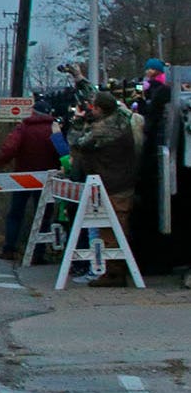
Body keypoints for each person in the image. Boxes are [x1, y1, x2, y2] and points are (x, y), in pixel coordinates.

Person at [68, 92, 138, 286]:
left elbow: (77, 143)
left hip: (112, 184)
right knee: (119, 226)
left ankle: (113, 273)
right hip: (123, 180)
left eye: (94, 107)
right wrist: (79, 78)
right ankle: (116, 270)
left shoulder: (102, 130)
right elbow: (105, 99)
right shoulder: (122, 118)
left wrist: (78, 122)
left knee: (111, 229)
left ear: (100, 109)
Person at [0, 102, 59, 261]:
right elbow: (62, 150)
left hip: (21, 177)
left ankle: (10, 248)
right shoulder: (54, 128)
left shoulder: (23, 128)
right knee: (44, 215)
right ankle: (38, 252)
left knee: (16, 213)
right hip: (48, 178)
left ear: (32, 112)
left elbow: (10, 148)